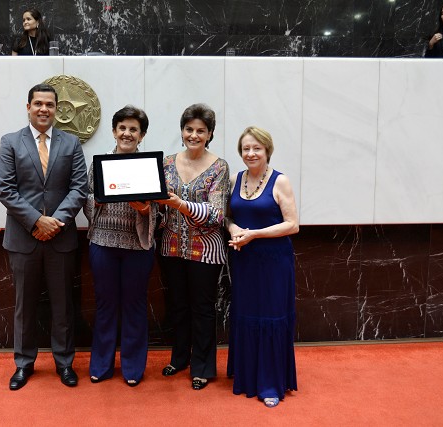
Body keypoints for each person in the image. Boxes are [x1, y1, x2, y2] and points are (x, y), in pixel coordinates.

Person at [0, 83, 87, 390]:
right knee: (25, 306)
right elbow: (6, 190)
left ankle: (64, 363)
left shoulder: (71, 143)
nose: (44, 109)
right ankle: (23, 364)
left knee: (63, 305)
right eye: (38, 104)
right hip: (23, 239)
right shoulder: (10, 142)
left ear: (56, 109)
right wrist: (37, 221)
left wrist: (55, 222)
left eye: (49, 104)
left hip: (61, 238)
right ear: (28, 107)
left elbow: (79, 188)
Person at [157, 103, 230, 390]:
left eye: (201, 131)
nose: (194, 135)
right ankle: (179, 358)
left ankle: (202, 367)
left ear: (210, 134)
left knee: (202, 309)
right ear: (182, 131)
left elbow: (217, 214)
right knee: (178, 306)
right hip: (171, 247)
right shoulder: (166, 163)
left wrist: (181, 204)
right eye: (189, 129)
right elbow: (159, 205)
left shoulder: (219, 166)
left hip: (206, 250)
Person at [225, 126, 299, 408]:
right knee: (246, 315)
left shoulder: (281, 181)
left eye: (257, 148)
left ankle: (270, 383)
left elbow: (292, 224)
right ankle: (247, 376)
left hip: (274, 263)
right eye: (246, 148)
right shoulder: (235, 179)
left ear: (267, 150)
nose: (251, 153)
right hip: (244, 261)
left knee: (271, 318)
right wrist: (233, 229)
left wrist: (254, 234)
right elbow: (227, 217)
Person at [84, 106, 158, 387]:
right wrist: (96, 201)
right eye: (122, 128)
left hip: (138, 247)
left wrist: (145, 209)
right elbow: (86, 196)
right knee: (105, 305)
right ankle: (101, 366)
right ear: (114, 131)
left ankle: (133, 368)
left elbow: (159, 209)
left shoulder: (150, 166)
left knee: (135, 306)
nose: (127, 133)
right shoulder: (99, 164)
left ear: (142, 135)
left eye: (133, 129)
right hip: (103, 243)